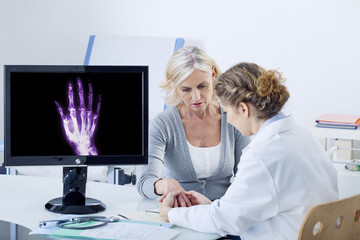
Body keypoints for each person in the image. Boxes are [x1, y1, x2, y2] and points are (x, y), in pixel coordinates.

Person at [159, 62, 339, 239]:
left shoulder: (261, 155)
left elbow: (223, 222)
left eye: (227, 112)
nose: (228, 120)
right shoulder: (303, 135)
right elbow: (257, 204)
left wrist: (170, 214)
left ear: (243, 109)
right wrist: (214, 206)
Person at [137, 46, 250, 206]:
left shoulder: (233, 118)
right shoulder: (162, 124)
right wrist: (161, 184)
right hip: (181, 215)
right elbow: (144, 183)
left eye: (202, 86)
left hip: (225, 214)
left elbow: (247, 178)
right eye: (186, 90)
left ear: (213, 74)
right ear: (175, 86)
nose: (196, 97)